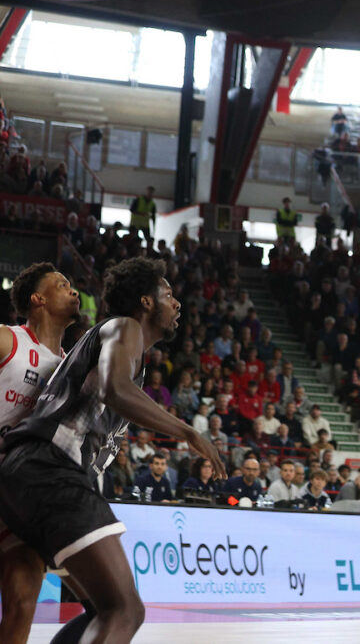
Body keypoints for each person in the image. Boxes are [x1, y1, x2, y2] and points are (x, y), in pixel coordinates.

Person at [0, 257, 226, 643]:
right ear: (147, 302)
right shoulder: (124, 328)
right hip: (50, 471)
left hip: (22, 476)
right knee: (124, 610)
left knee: (47, 602)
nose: (178, 304)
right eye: (169, 295)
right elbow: (113, 388)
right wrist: (188, 432)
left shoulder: (73, 352)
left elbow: (97, 389)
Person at [0, 262, 79, 644]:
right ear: (38, 299)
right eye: (63, 284)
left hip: (22, 500)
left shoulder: (71, 369)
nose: (74, 290)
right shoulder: (7, 339)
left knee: (22, 601)